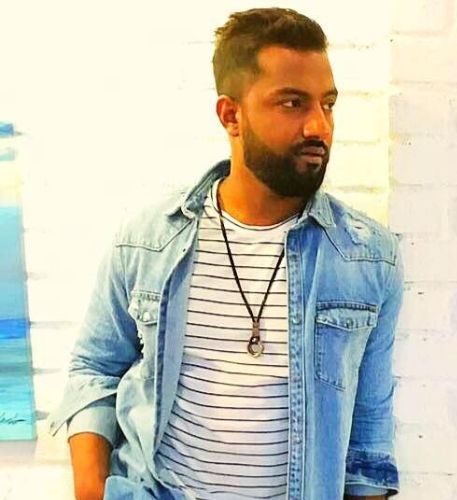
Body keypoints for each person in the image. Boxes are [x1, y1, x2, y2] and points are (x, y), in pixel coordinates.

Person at [48, 7, 404, 500]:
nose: (318, 126)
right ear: (231, 115)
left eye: (327, 104)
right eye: (292, 103)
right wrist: (91, 491)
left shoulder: (367, 258)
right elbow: (95, 368)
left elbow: (369, 432)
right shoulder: (148, 241)